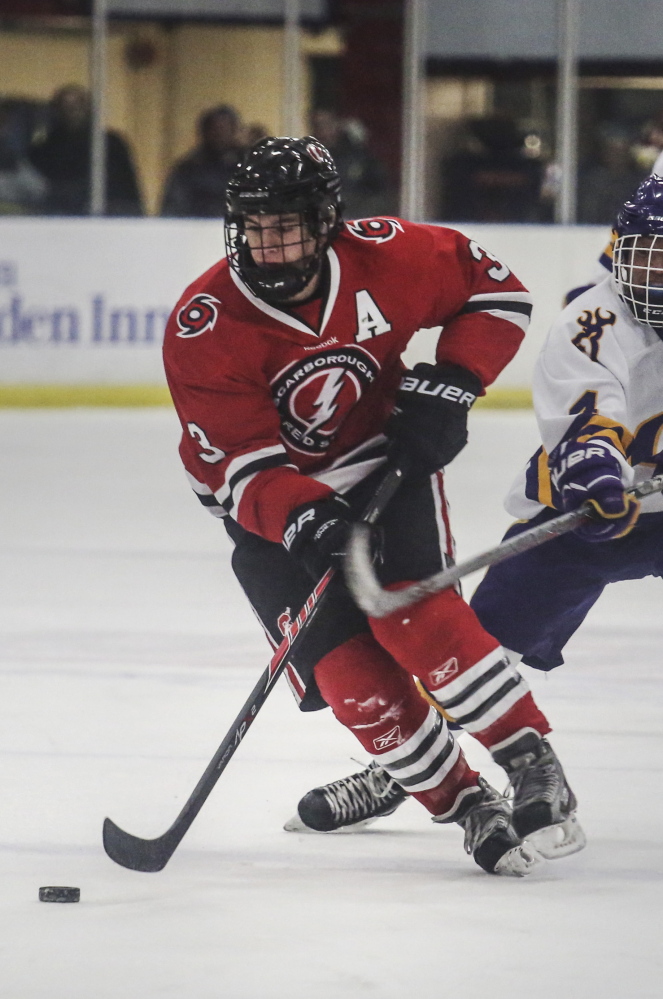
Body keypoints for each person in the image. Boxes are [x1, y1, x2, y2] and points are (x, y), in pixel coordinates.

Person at [162, 135, 583, 876]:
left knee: (415, 617)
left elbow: (494, 292)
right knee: (347, 675)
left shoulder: (386, 255)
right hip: (265, 504)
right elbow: (241, 468)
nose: (266, 241)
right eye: (252, 225)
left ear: (326, 219)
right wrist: (301, 514)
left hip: (378, 468)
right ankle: (464, 802)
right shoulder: (205, 325)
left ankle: (530, 760)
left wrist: (453, 381)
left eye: (284, 223)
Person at [301, 174, 663, 843]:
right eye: (650, 252)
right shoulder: (594, 320)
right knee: (475, 654)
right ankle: (403, 771)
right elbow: (587, 424)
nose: (658, 272)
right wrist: (597, 475)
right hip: (591, 517)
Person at [28, 84, 143, 216]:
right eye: (65, 105)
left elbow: (126, 192)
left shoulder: (111, 144)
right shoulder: (44, 148)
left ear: (90, 109)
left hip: (107, 220)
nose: (72, 110)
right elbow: (36, 190)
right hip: (56, 221)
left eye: (79, 104)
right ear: (56, 110)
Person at [160, 105, 244, 218]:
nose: (220, 134)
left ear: (234, 130)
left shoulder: (249, 166)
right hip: (195, 229)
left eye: (225, 129)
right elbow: (172, 209)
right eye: (215, 129)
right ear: (204, 132)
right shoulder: (188, 169)